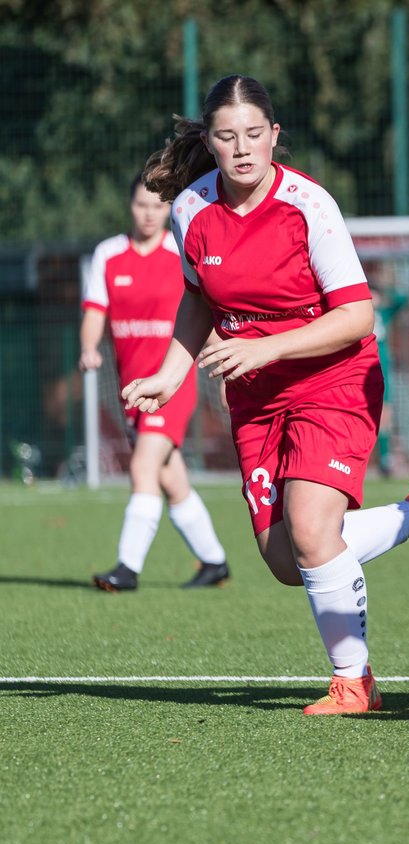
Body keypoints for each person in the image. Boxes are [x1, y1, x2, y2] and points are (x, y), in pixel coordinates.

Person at [128, 74, 409, 715]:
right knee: (288, 558)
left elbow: (357, 317)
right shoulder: (190, 210)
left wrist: (266, 347)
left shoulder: (309, 205)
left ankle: (353, 682)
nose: (243, 149)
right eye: (227, 137)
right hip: (256, 396)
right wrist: (171, 372)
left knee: (313, 534)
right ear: (209, 140)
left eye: (255, 134)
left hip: (334, 379)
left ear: (275, 136)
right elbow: (197, 298)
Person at [81, 176, 232, 593]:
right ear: (129, 206)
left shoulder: (180, 251)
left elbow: (206, 309)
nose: (149, 213)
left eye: (156, 206)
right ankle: (215, 563)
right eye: (141, 205)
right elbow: (95, 310)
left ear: (167, 210)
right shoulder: (108, 255)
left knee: (143, 468)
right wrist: (90, 347)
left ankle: (127, 570)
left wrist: (224, 363)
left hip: (171, 385)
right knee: (170, 479)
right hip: (131, 389)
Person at [369, 276, 408, 478]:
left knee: (385, 415)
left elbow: (403, 299)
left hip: (382, 367)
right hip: (362, 368)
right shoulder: (357, 315)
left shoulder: (383, 314)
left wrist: (385, 289)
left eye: (374, 294)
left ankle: (385, 460)